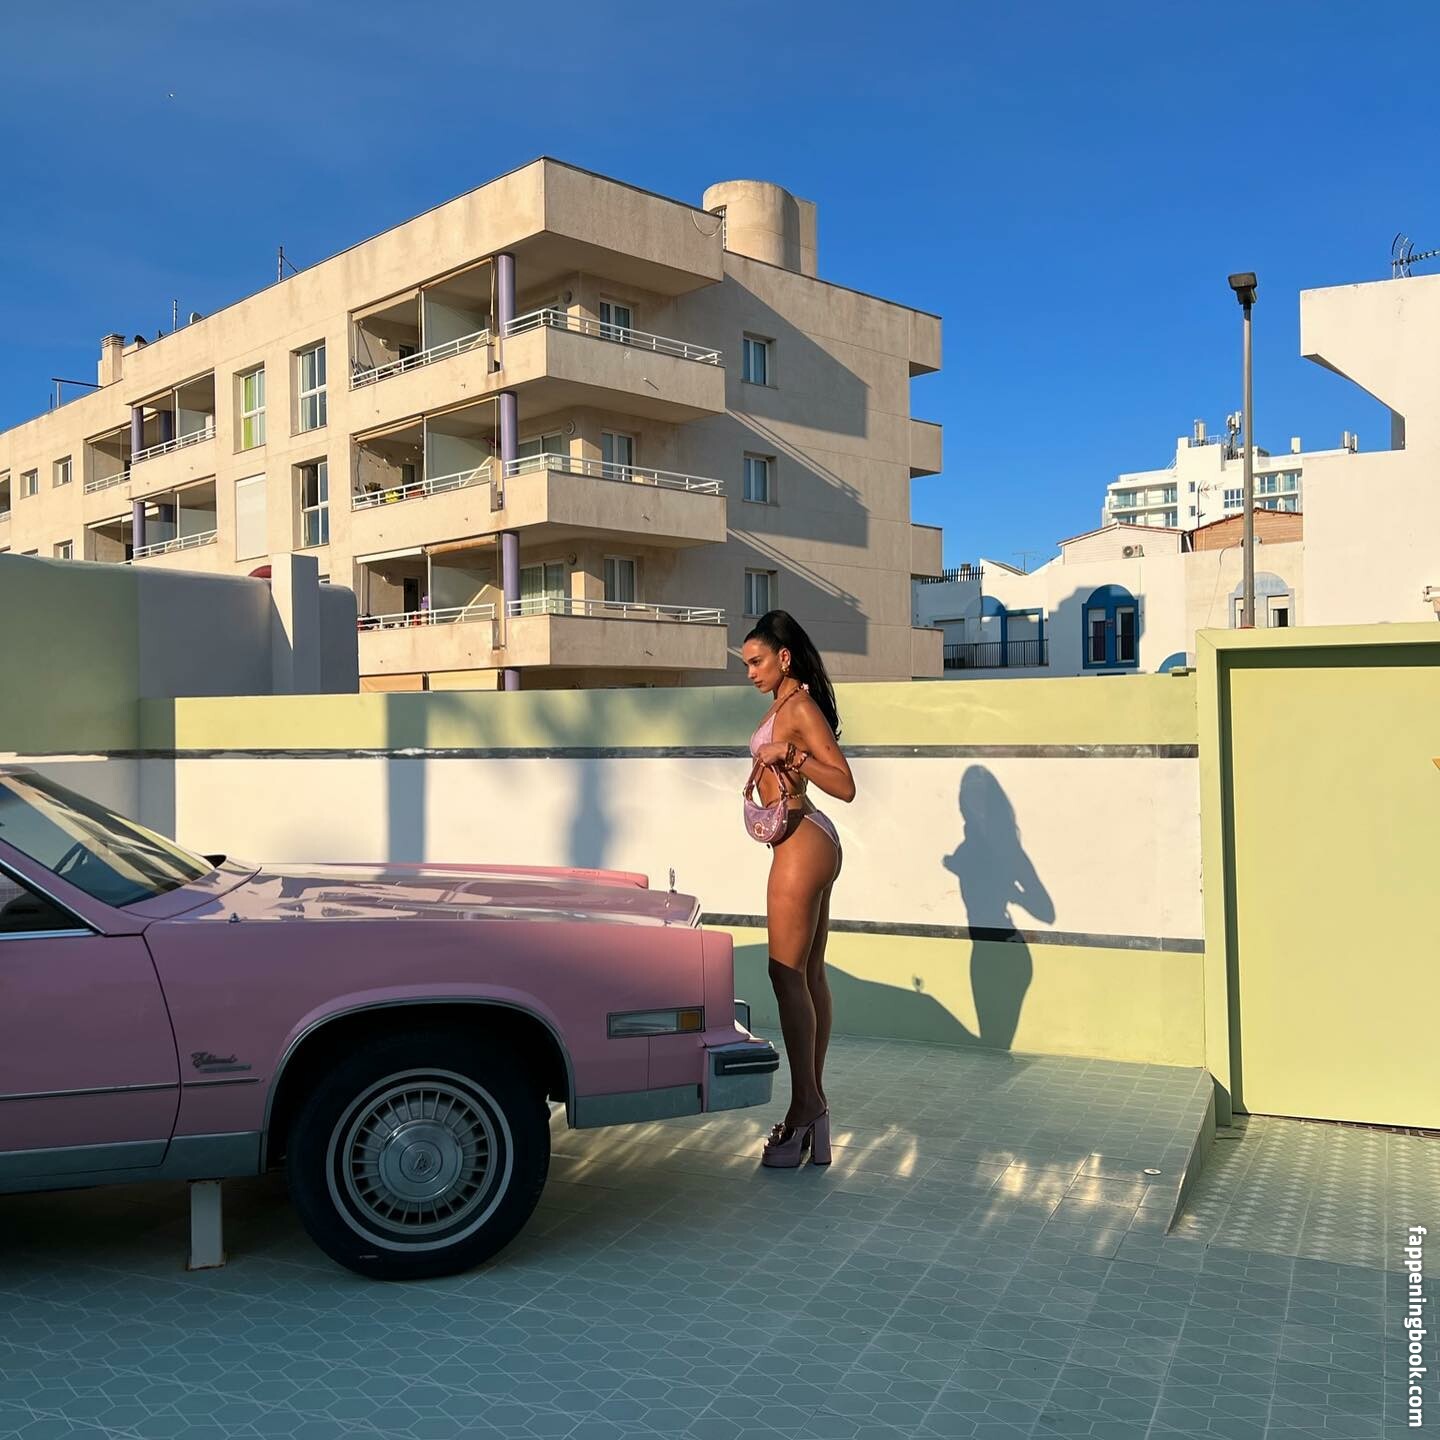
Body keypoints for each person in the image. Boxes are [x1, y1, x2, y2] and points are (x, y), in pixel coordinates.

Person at [741, 610, 855, 1169]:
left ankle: (805, 1106)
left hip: (802, 843)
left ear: (784, 657)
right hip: (806, 841)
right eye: (746, 664)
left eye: (757, 661)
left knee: (784, 975)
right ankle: (813, 1106)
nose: (750, 672)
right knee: (807, 975)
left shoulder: (800, 708)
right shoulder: (783, 704)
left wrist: (790, 754)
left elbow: (845, 784)